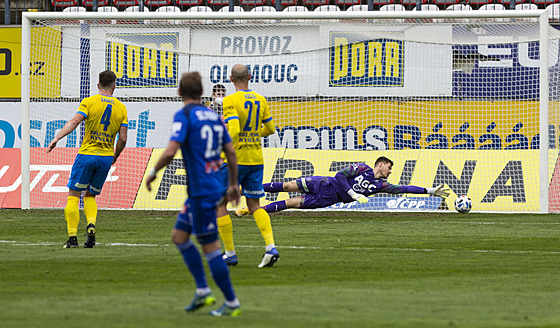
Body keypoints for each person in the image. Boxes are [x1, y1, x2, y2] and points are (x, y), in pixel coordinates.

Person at [145, 72, 242, 317]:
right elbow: (230, 152)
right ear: (201, 93)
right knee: (179, 236)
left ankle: (231, 302)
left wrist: (154, 171)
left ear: (180, 93)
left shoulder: (185, 115)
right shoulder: (214, 116)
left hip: (202, 192)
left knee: (210, 247)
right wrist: (232, 183)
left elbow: (170, 151)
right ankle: (202, 292)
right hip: (210, 186)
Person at [47, 70, 128, 249]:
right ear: (114, 86)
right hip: (106, 157)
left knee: (73, 196)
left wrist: (57, 138)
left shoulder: (89, 102)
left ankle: (72, 238)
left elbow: (75, 122)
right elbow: (122, 139)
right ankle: (91, 225)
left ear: (98, 85)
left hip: (87, 154)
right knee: (90, 195)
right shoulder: (121, 108)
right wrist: (115, 156)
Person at [216, 64, 278, 268]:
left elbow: (232, 129)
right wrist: (252, 135)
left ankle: (230, 254)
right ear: (249, 77)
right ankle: (270, 247)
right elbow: (270, 129)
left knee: (219, 204)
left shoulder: (230, 100)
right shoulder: (260, 99)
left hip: (236, 159)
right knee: (254, 206)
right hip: (256, 159)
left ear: (231, 79)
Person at [235, 156, 450, 215]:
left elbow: (404, 189)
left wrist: (429, 191)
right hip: (323, 183)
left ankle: (250, 211)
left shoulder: (380, 186)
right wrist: (352, 193)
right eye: (389, 168)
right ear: (381, 164)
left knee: (290, 202)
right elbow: (339, 176)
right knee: (286, 185)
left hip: (327, 199)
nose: (390, 172)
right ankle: (242, 190)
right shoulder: (362, 168)